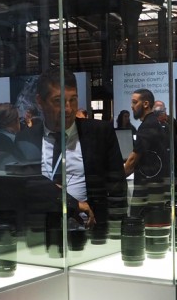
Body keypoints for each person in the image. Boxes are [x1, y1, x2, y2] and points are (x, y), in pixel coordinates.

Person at [15, 67, 126, 228]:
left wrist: (116, 229)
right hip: (41, 229)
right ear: (40, 102)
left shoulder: (100, 133)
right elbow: (25, 187)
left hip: (89, 228)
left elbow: (117, 186)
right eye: (58, 101)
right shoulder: (26, 139)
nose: (68, 109)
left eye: (73, 100)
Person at [123, 89, 169, 191]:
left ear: (146, 104)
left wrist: (117, 178)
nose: (132, 106)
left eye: (135, 102)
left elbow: (133, 160)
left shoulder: (147, 126)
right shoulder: (152, 122)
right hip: (154, 184)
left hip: (148, 186)